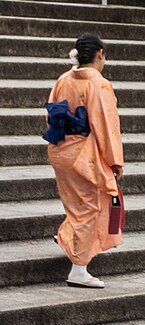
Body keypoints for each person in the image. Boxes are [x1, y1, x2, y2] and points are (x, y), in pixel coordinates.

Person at [44, 32, 124, 289]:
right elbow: (105, 126)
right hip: (84, 154)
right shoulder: (98, 84)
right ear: (99, 54)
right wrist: (115, 162)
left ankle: (67, 236)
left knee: (76, 202)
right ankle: (78, 269)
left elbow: (51, 114)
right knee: (91, 207)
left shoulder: (63, 79)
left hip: (60, 149)